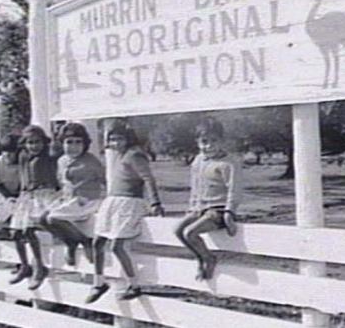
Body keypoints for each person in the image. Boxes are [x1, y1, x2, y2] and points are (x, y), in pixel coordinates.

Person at [85, 122, 164, 304]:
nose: (115, 143)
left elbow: (148, 178)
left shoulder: (135, 154)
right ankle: (99, 283)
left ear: (128, 139)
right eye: (112, 139)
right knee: (97, 242)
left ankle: (134, 285)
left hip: (129, 202)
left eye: (119, 139)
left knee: (117, 246)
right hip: (113, 201)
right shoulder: (119, 156)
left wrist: (155, 202)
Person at [173, 117, 242, 281]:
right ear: (198, 142)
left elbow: (234, 188)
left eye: (214, 141)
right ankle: (200, 258)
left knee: (190, 233)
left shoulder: (228, 163)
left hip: (217, 210)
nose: (209, 146)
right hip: (199, 209)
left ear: (222, 141)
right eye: (204, 142)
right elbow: (195, 185)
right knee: (178, 230)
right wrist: (192, 207)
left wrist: (229, 212)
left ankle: (209, 258)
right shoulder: (198, 160)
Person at [40, 122, 105, 266]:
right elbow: (63, 182)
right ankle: (70, 242)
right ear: (62, 143)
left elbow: (105, 180)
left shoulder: (91, 161)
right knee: (42, 219)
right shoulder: (62, 161)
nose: (73, 146)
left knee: (53, 218)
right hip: (68, 199)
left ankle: (85, 241)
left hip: (86, 200)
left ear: (85, 144)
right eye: (69, 142)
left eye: (78, 142)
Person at [9, 125, 60, 290]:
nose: (34, 146)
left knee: (29, 230)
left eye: (37, 142)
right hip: (27, 195)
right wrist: (22, 194)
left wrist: (56, 132)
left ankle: (39, 266)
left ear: (44, 142)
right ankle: (24, 265)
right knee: (15, 233)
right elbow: (23, 175)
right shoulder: (24, 156)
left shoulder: (49, 156)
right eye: (30, 143)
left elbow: (57, 149)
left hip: (45, 194)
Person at [0, 133, 21, 246]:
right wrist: (9, 196)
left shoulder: (22, 163)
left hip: (19, 194)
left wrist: (17, 195)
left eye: (12, 151)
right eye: (5, 151)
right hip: (2, 194)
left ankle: (16, 234)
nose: (8, 154)